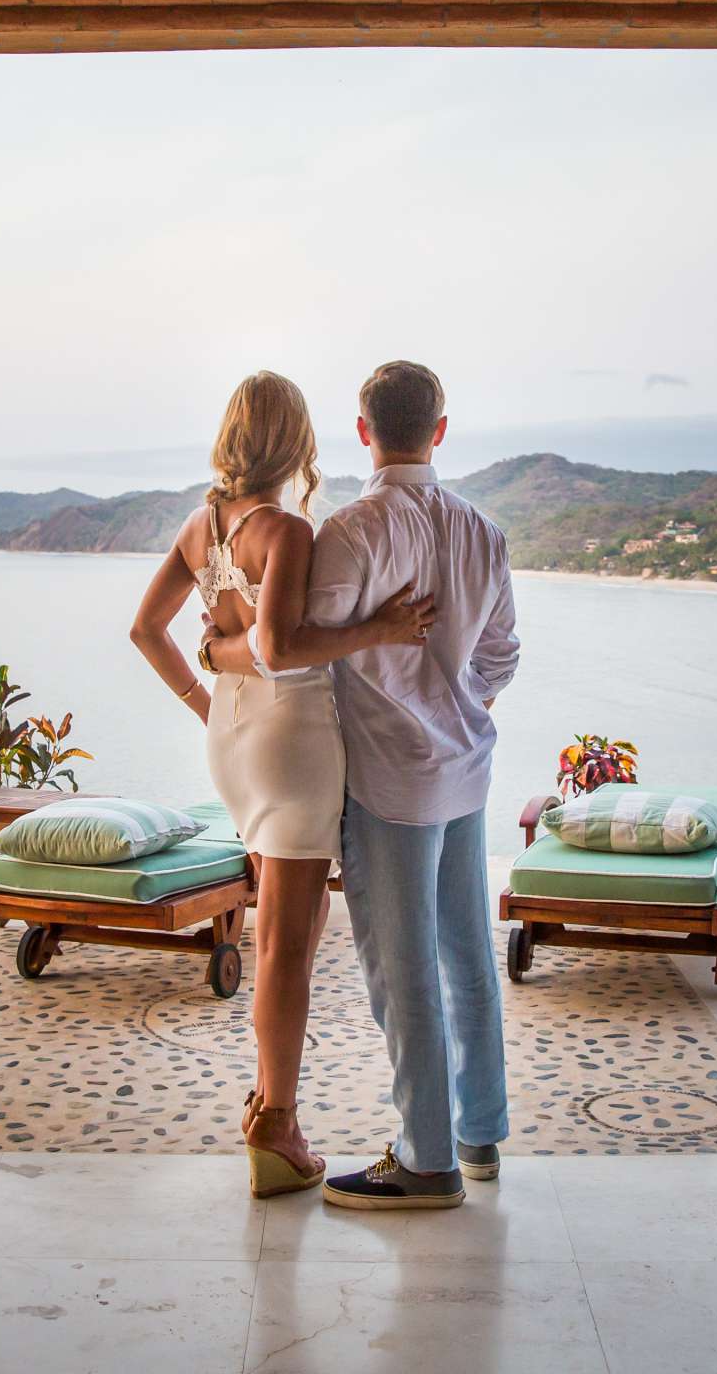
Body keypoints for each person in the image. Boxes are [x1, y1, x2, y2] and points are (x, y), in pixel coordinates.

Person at [209, 359, 518, 1211]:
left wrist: (222, 649)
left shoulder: (352, 531)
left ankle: (426, 1162)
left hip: (389, 779)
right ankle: (479, 1135)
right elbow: (501, 656)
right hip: (466, 767)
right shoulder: (484, 532)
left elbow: (296, 643)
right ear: (441, 431)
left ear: (363, 431)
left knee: (397, 963)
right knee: (464, 952)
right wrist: (452, 703)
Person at [130, 370, 433, 1198]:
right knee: (285, 948)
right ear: (296, 440)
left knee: (289, 920)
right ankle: (276, 1123)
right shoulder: (286, 530)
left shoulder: (202, 526)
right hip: (291, 739)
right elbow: (281, 648)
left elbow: (146, 629)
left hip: (234, 740)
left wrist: (205, 703)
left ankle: (273, 1107)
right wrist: (383, 628)